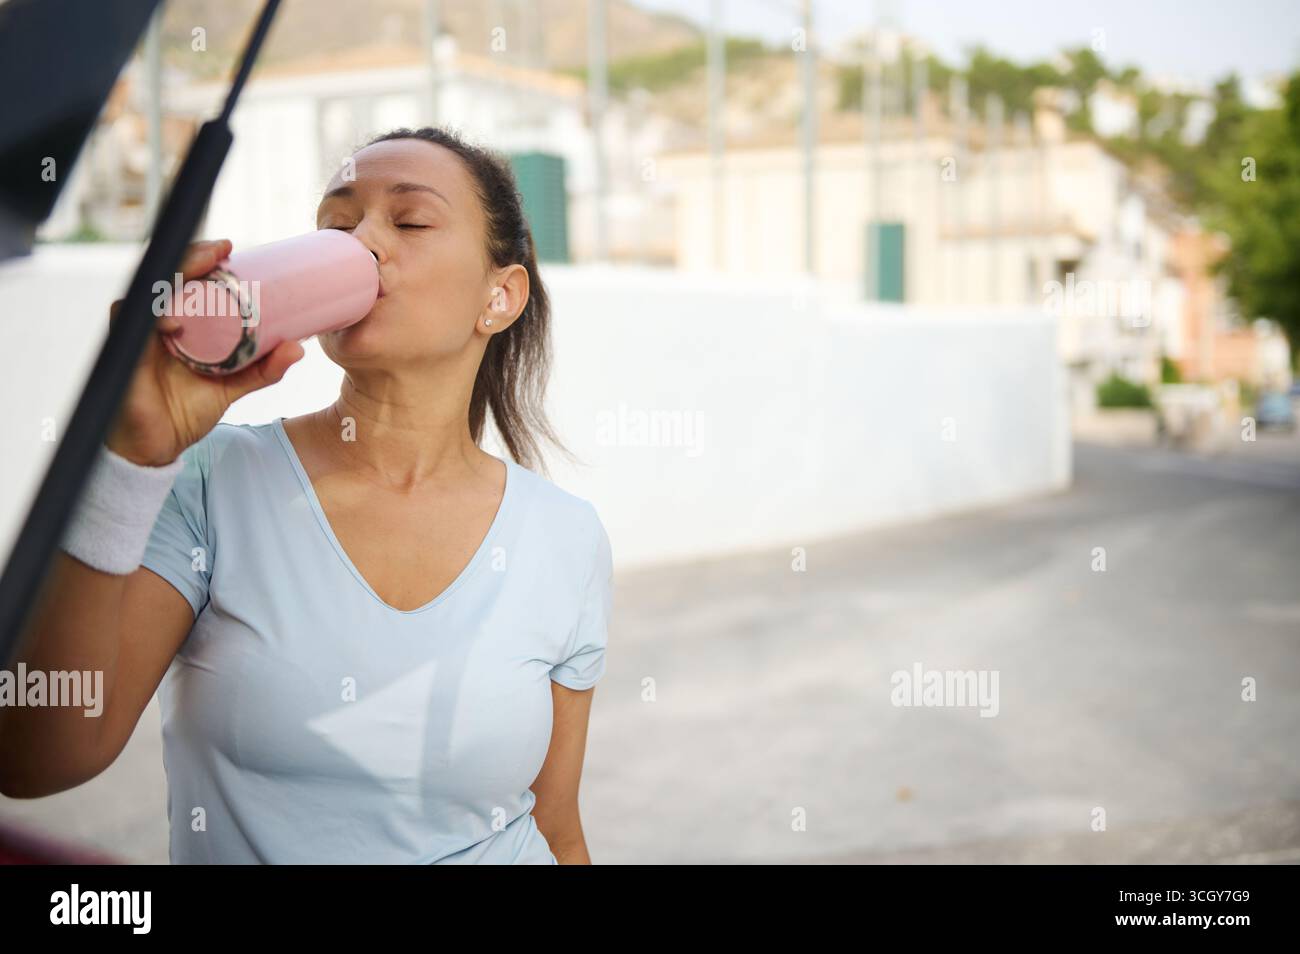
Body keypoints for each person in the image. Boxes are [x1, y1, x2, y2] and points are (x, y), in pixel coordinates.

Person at [0, 126, 613, 865]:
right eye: (337, 224)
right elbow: (35, 758)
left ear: (500, 296)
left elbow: (556, 827)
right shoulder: (209, 479)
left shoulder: (566, 537)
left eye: (410, 221)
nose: (363, 243)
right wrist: (124, 459)